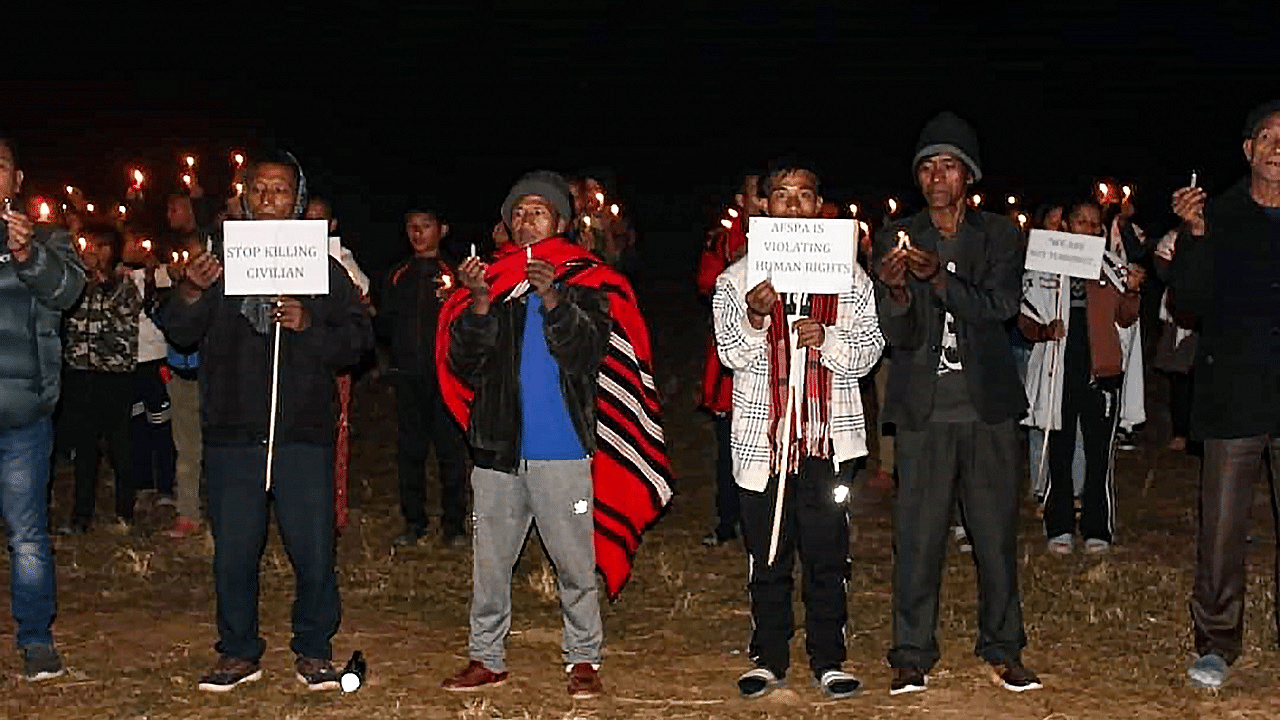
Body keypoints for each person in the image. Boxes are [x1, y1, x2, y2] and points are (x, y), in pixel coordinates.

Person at [437, 171, 672, 699]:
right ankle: (486, 657)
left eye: (538, 211)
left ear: (562, 222)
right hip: (497, 449)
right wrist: (477, 303)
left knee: (573, 562)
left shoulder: (589, 280)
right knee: (490, 563)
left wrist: (554, 299)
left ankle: (583, 658)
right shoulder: (489, 284)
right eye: (517, 212)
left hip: (562, 447)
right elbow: (463, 362)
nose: (526, 220)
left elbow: (587, 353)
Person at [164, 150, 373, 692]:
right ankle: (237, 651)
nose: (268, 199)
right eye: (258, 189)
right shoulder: (218, 262)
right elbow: (181, 332)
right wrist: (190, 290)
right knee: (234, 550)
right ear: (244, 196)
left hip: (303, 432)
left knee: (313, 551)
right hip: (235, 432)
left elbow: (357, 343)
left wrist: (308, 324)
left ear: (297, 199)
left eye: (280, 190)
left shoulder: (324, 269)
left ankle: (313, 648)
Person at [873, 111, 1040, 695]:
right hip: (924, 407)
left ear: (968, 175)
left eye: (948, 165)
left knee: (994, 534)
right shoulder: (900, 233)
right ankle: (911, 653)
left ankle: (1004, 646)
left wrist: (937, 278)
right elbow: (893, 332)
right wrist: (896, 288)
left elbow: (998, 307)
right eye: (926, 166)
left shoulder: (998, 235)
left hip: (985, 406)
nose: (936, 176)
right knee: (917, 536)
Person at [712, 161, 883, 700]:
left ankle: (829, 657)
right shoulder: (736, 280)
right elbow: (731, 355)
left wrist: (827, 339)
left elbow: (868, 353)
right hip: (763, 444)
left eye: (804, 195)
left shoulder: (851, 277)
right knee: (767, 552)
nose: (791, 205)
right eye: (780, 195)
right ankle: (769, 657)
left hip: (827, 442)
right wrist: (757, 319)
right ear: (762, 206)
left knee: (828, 553)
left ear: (819, 205)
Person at [1170, 100, 1280, 690]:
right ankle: (1215, 642)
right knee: (1220, 529)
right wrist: (1196, 235)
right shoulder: (1220, 214)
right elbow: (1188, 300)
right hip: (1234, 390)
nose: (1278, 147)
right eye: (1267, 135)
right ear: (1248, 150)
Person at [0, 136, 85, 680]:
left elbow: (68, 293)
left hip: (21, 416)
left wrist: (28, 254)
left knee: (27, 533)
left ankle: (35, 638)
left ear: (18, 179)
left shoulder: (49, 239)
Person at [1020, 197, 1145, 555]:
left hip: (1101, 376)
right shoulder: (1045, 267)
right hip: (1058, 375)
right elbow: (1026, 319)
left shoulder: (1112, 269)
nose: (1090, 229)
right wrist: (1045, 331)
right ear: (1066, 227)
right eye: (1082, 222)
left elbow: (1126, 318)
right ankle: (1058, 525)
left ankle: (1097, 528)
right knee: (1058, 454)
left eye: (1096, 224)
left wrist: (1133, 289)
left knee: (1098, 457)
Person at [379, 206, 468, 547]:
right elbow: (384, 323)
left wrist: (455, 300)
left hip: (445, 377)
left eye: (426, 226)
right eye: (411, 227)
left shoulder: (454, 272)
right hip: (407, 375)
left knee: (450, 451)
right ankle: (413, 522)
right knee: (410, 451)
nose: (418, 233)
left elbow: (469, 323)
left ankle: (454, 525)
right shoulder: (398, 274)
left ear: (442, 229)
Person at [59, 224, 142, 535]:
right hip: (81, 373)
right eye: (93, 245)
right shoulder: (74, 282)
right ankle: (81, 517)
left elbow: (129, 309)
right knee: (85, 449)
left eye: (104, 246)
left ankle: (124, 513)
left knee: (120, 448)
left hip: (115, 375)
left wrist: (105, 283)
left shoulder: (125, 283)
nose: (97, 252)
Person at [696, 172, 758, 547]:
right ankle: (728, 519)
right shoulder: (721, 239)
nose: (763, 202)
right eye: (756, 193)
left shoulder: (796, 239)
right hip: (731, 364)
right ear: (741, 198)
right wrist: (731, 269)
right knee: (729, 444)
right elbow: (705, 284)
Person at [305, 196, 373, 532]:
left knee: (335, 433)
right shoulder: (285, 255)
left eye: (320, 220)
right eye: (307, 218)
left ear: (332, 226)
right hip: (298, 366)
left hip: (332, 363)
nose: (312, 226)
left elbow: (361, 309)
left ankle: (335, 509)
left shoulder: (341, 263)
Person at [161, 193, 210, 538]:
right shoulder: (174, 291)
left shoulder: (220, 292)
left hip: (216, 380)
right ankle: (188, 514)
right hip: (182, 377)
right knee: (187, 450)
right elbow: (167, 324)